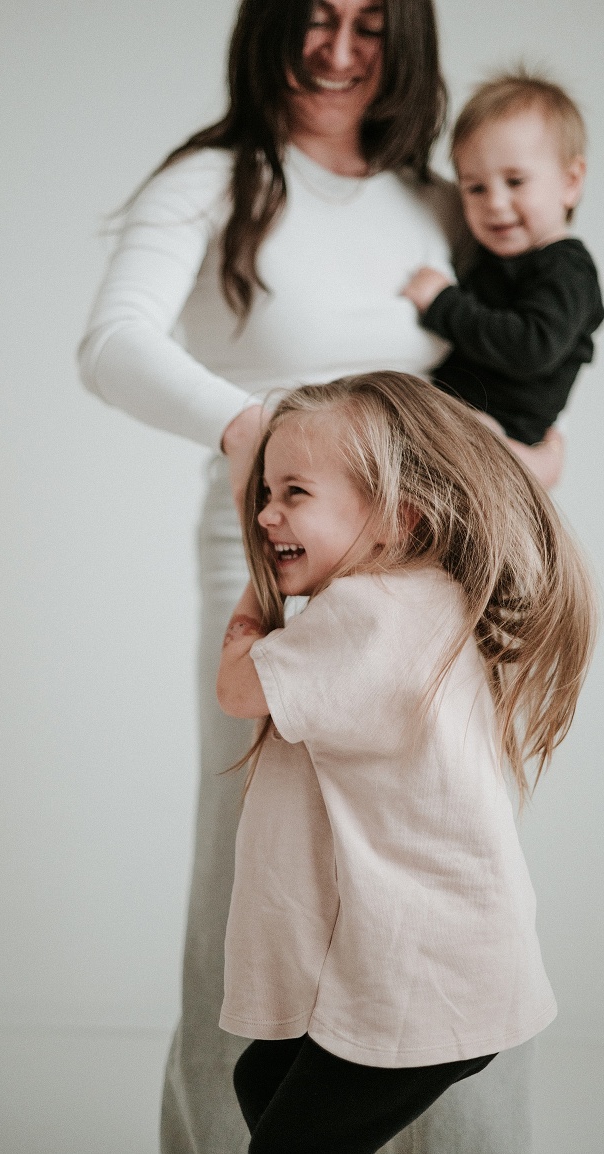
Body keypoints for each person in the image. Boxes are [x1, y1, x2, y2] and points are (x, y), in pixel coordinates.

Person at [79, 2, 562, 1150]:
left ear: (407, 43)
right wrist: (260, 431)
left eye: (368, 24)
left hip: (430, 554)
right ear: (269, 28)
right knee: (260, 850)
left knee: (449, 834)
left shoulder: (435, 199)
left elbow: (526, 323)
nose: (339, 50)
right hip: (283, 546)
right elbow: (113, 343)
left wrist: (524, 445)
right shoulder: (219, 179)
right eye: (314, 19)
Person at [216, 372, 597, 1154]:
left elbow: (237, 687)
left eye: (293, 492)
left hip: (426, 970)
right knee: (264, 1081)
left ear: (399, 516)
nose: (265, 513)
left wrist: (244, 574)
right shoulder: (430, 594)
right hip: (447, 956)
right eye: (261, 491)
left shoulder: (364, 615)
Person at [403, 71, 604, 446]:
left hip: (501, 435)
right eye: (475, 188)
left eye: (515, 182)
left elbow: (532, 347)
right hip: (456, 417)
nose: (494, 204)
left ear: (571, 182)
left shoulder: (568, 269)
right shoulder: (487, 255)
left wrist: (443, 304)